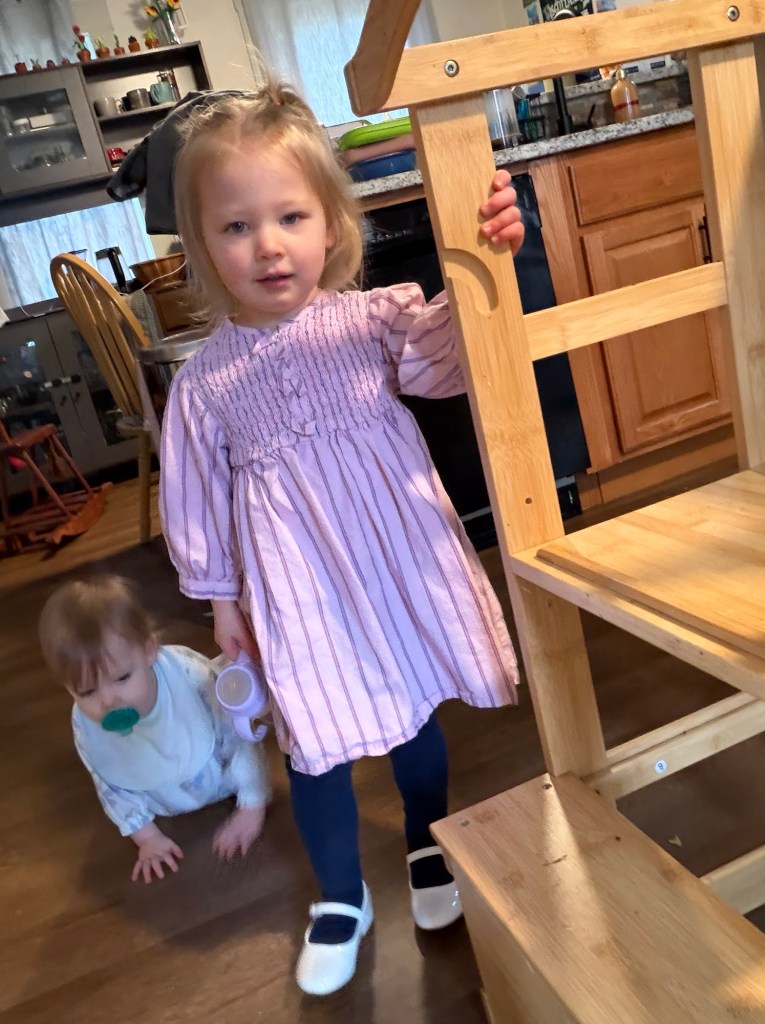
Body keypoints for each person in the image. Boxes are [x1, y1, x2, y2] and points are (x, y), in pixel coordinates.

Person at [160, 78, 524, 996]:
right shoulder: (204, 385)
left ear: (330, 221)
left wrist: (484, 258)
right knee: (312, 736)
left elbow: (451, 358)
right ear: (201, 244)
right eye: (236, 226)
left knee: (412, 705)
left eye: (290, 216)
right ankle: (340, 896)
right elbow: (195, 499)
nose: (269, 244)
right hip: (296, 587)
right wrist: (221, 603)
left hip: (394, 559)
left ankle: (429, 842)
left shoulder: (371, 321)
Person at [38, 575, 270, 884]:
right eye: (87, 691)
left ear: (149, 651)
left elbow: (238, 741)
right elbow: (112, 786)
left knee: (231, 728)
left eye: (122, 678)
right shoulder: (86, 723)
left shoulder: (189, 678)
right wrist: (147, 837)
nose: (107, 701)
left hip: (220, 775)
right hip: (166, 800)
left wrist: (252, 804)